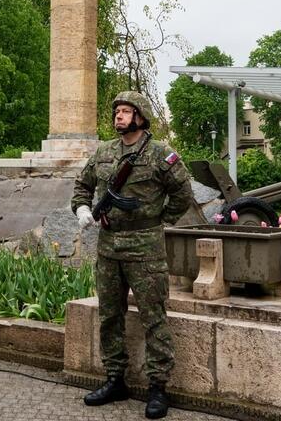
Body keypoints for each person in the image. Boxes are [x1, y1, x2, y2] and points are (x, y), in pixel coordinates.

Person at [71, 91, 193, 419]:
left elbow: (183, 193)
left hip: (145, 249)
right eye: (117, 112)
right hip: (109, 247)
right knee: (110, 314)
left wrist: (160, 219)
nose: (119, 117)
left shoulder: (159, 154)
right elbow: (82, 186)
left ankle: (158, 387)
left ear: (140, 117)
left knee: (153, 317)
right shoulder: (104, 152)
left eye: (126, 112)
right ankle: (115, 379)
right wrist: (83, 209)